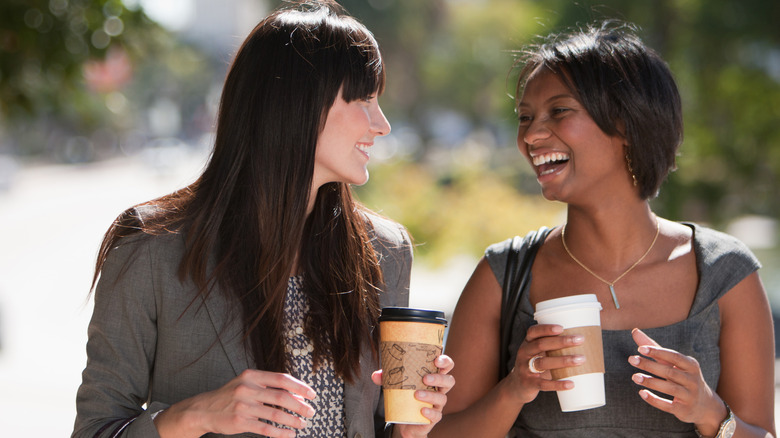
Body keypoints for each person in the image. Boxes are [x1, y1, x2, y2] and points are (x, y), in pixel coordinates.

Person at [72, 2, 454, 437]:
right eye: (365, 99)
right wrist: (193, 416)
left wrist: (409, 429)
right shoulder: (151, 246)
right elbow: (95, 430)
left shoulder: (385, 250)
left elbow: (375, 422)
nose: (381, 124)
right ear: (299, 103)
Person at [432, 21, 775, 438]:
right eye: (525, 117)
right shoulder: (503, 276)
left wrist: (711, 413)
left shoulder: (724, 274)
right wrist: (514, 390)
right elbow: (435, 434)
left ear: (627, 125)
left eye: (559, 111)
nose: (532, 135)